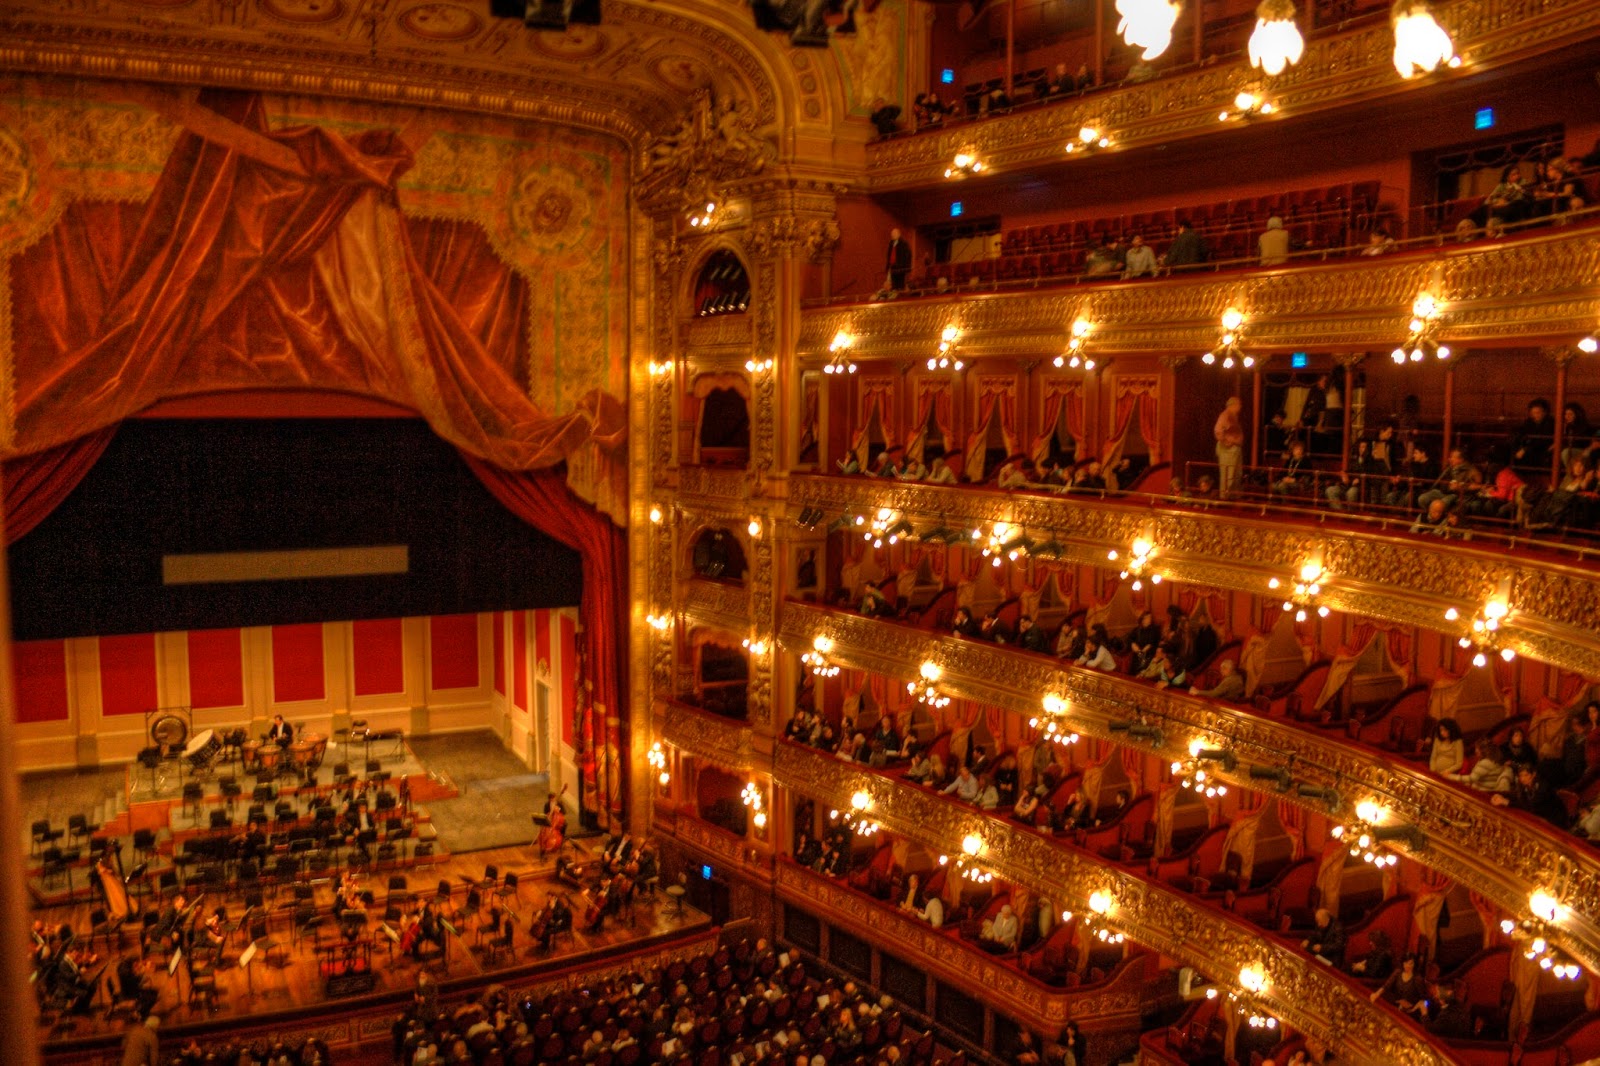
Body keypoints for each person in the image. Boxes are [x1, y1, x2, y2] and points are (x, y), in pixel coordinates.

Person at [1492, 762, 1568, 827]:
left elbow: (1530, 806)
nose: (1523, 779)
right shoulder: (1524, 785)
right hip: (1538, 816)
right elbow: (1516, 795)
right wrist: (1500, 795)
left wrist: (1506, 802)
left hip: (1553, 820)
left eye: (1526, 775)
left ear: (1533, 774)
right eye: (1521, 776)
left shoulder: (1543, 787)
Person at [1214, 396, 1244, 500]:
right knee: (1228, 476)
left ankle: (1232, 496)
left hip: (1233, 449)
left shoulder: (1232, 416)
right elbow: (1218, 431)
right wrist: (1228, 442)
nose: (1240, 407)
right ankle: (1225, 498)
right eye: (1239, 405)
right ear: (1233, 405)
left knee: (1235, 475)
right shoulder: (1226, 415)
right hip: (1229, 451)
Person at [884, 228, 912, 294]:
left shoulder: (904, 244)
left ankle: (899, 295)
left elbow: (908, 256)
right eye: (892, 234)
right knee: (893, 285)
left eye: (894, 233)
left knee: (900, 285)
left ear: (899, 234)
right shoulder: (891, 244)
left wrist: (905, 266)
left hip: (900, 268)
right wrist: (887, 267)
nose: (892, 235)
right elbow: (889, 256)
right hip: (892, 267)